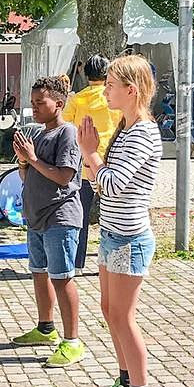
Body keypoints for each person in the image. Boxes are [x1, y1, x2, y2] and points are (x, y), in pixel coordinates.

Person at [77, 54, 161, 387]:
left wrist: (90, 153)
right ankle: (126, 381)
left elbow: (110, 184)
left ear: (132, 90)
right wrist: (94, 160)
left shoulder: (142, 133)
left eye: (111, 85)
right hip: (113, 234)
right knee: (110, 310)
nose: (105, 91)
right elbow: (102, 183)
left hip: (129, 238)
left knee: (124, 317)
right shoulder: (126, 129)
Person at [12, 76, 85, 368]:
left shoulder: (67, 133)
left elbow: (64, 176)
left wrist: (32, 158)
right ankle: (45, 328)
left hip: (60, 217)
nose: (35, 108)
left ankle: (72, 342)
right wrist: (23, 161)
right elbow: (28, 176)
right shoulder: (40, 134)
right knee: (39, 273)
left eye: (40, 103)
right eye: (32, 103)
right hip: (36, 217)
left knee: (62, 278)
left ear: (59, 103)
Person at [63, 55, 121, 270]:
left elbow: (65, 124)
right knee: (113, 216)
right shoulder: (113, 99)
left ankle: (77, 263)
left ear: (84, 73)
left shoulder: (77, 99)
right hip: (111, 161)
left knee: (81, 215)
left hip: (84, 162)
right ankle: (110, 262)